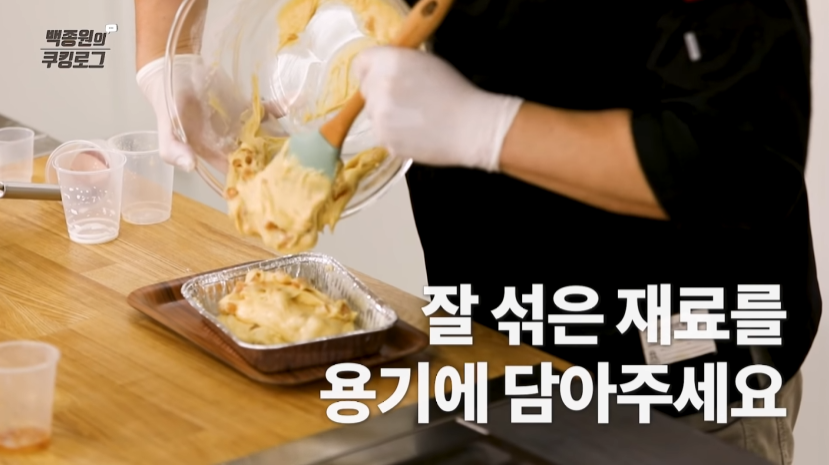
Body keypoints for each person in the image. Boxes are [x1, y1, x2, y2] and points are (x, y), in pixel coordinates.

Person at [135, 0, 819, 463]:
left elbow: (746, 164)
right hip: (490, 347)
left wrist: (484, 129)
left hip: (674, 364)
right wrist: (167, 60)